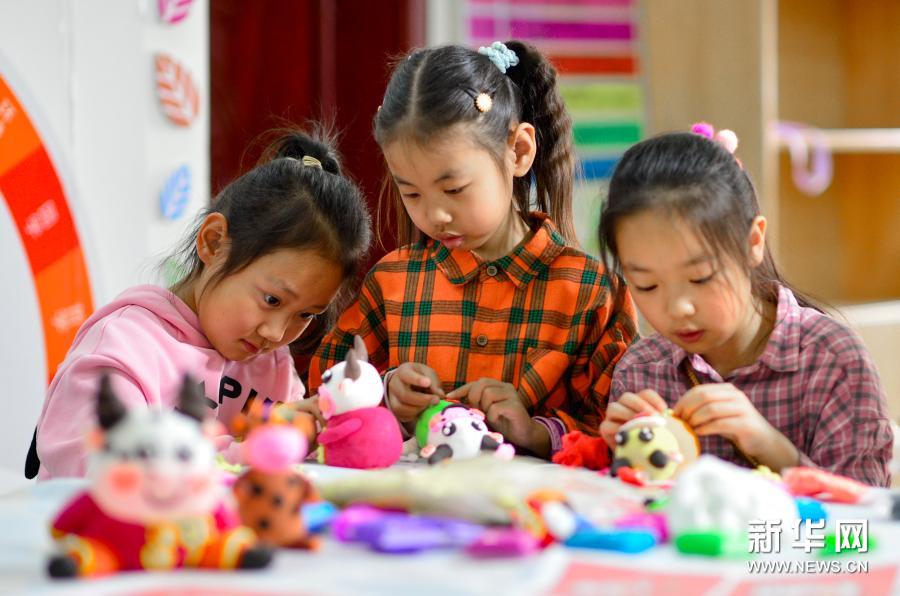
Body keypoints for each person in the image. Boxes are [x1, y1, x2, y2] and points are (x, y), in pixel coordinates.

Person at [310, 41, 637, 458]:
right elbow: (322, 393)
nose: (435, 215)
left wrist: (537, 432)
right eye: (412, 193)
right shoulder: (392, 283)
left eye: (454, 189)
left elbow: (627, 431)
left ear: (518, 151)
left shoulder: (590, 291)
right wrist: (385, 389)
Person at [33, 128, 372, 479]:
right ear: (213, 242)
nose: (276, 333)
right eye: (272, 299)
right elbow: (109, 471)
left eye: (305, 315)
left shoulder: (273, 367)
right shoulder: (123, 347)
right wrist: (250, 450)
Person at [597, 123, 892, 486]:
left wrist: (771, 446)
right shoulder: (641, 371)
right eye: (647, 285)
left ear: (753, 242)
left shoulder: (830, 358)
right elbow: (638, 509)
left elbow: (865, 513)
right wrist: (619, 461)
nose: (678, 308)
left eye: (700, 277)